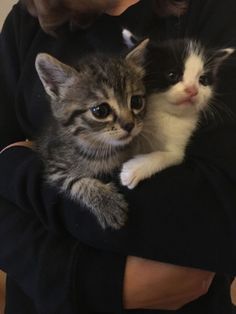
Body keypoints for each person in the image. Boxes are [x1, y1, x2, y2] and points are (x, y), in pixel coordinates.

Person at [0, 0, 236, 313]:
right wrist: (92, 282)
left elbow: (216, 219)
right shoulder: (27, 19)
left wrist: (17, 167)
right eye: (101, 110)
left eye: (138, 102)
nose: (127, 123)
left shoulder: (216, 11)